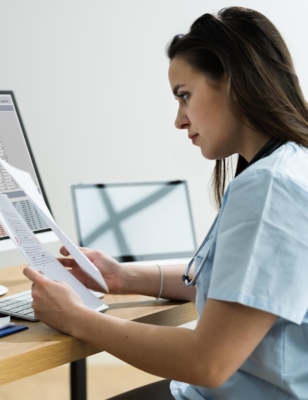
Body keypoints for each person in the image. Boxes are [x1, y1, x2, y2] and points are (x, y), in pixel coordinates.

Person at [23, 6, 308, 400]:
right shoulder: (289, 166)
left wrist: (77, 318)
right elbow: (241, 289)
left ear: (233, 82)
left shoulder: (271, 186)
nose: (179, 119)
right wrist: (122, 277)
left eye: (185, 96)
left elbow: (208, 361)